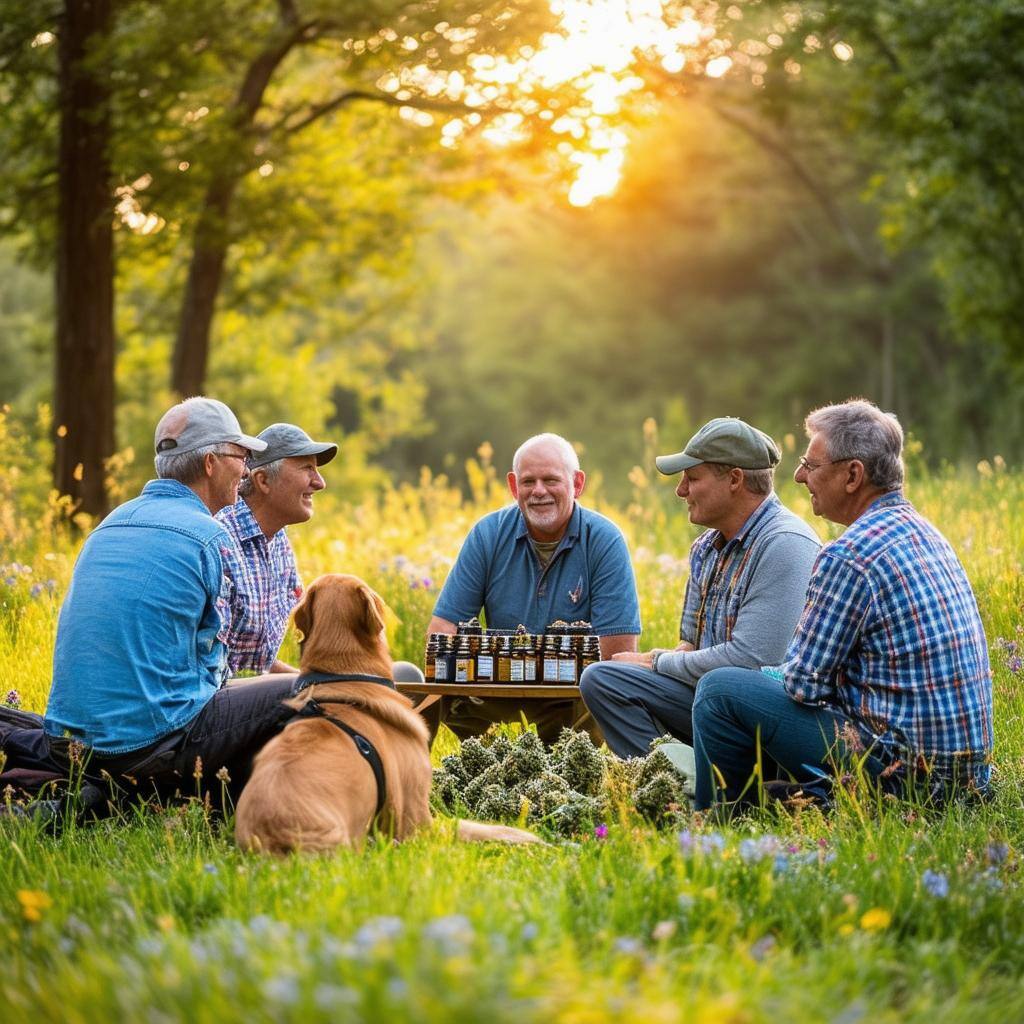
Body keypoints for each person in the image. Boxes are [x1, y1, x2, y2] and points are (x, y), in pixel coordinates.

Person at [691, 399, 993, 810]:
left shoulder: (849, 554)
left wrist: (759, 675)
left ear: (853, 475)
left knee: (719, 689)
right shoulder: (926, 533)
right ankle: (793, 800)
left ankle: (722, 822)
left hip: (906, 778)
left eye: (811, 466)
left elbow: (803, 685)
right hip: (965, 779)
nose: (799, 477)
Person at [43, 397, 308, 800]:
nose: (245, 470)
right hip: (145, 748)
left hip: (64, 746)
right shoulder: (210, 538)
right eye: (240, 456)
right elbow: (217, 675)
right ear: (210, 464)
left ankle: (101, 797)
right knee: (308, 692)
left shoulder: (110, 523)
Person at [580, 417, 820, 757]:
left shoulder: (785, 544)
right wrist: (647, 664)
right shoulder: (705, 549)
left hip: (765, 715)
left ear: (735, 479)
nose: (681, 491)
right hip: (710, 697)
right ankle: (672, 781)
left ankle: (727, 786)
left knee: (716, 683)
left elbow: (752, 662)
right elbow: (689, 647)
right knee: (603, 679)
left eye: (692, 478)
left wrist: (653, 661)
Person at [424, 433, 641, 743]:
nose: (539, 491)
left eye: (551, 480)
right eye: (528, 482)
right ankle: (420, 780)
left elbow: (619, 655)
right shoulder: (488, 534)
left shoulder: (605, 540)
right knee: (415, 685)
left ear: (577, 484)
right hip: (495, 695)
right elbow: (442, 630)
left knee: (611, 685)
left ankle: (574, 772)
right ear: (514, 486)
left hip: (571, 702)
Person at [216, 423, 336, 675]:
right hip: (212, 701)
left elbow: (257, 665)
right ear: (263, 480)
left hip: (250, 696)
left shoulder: (279, 540)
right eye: (307, 468)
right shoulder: (219, 539)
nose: (320, 482)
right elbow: (215, 666)